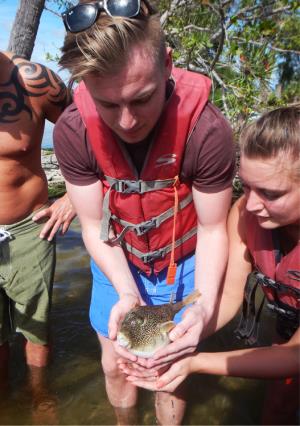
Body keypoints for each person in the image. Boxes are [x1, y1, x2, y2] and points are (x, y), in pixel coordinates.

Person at [54, 0, 235, 424]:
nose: (128, 121)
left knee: (171, 369)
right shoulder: (72, 130)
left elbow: (213, 230)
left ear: (167, 64)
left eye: (142, 98)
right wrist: (128, 293)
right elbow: (95, 223)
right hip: (116, 250)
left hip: (186, 254)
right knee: (115, 363)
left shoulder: (207, 132)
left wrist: (204, 308)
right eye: (109, 105)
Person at [125, 105, 300, 425]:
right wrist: (177, 339)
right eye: (245, 186)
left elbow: (295, 355)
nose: (251, 203)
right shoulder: (245, 216)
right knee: (277, 411)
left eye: (270, 193)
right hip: (288, 332)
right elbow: (231, 296)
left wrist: (194, 362)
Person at [0, 51, 75, 375]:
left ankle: (40, 400)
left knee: (37, 332)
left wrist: (73, 196)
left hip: (29, 228)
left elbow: (89, 130)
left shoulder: (34, 81)